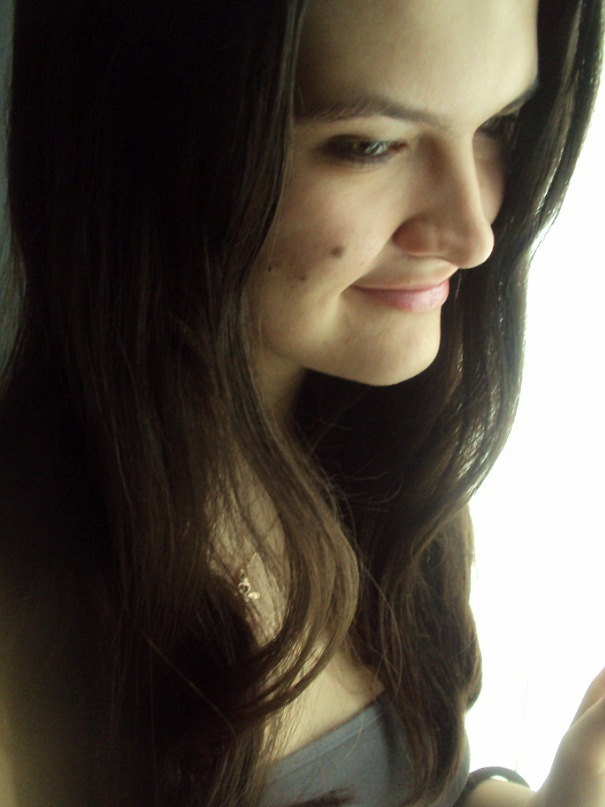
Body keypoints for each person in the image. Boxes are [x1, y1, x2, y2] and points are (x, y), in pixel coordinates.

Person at [0, 0, 603, 805]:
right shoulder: (30, 622)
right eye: (369, 145)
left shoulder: (376, 464)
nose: (472, 234)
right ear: (151, 145)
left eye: (498, 124)